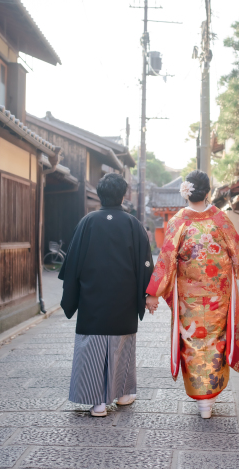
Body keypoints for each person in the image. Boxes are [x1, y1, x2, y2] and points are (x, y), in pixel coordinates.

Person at [146, 170, 239, 418]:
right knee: (215, 340)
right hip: (217, 297)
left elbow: (166, 260)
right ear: (208, 192)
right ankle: (209, 399)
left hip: (188, 299)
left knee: (192, 341)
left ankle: (201, 400)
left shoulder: (179, 221)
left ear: (186, 192)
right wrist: (233, 270)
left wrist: (154, 293)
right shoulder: (220, 219)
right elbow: (237, 252)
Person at [59, 173, 155, 417]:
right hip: (124, 299)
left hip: (92, 298)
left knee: (92, 346)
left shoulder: (87, 222)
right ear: (123, 195)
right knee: (121, 346)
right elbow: (145, 263)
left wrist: (73, 292)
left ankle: (97, 403)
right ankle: (122, 394)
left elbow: (72, 264)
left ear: (100, 194)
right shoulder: (134, 224)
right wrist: (148, 294)